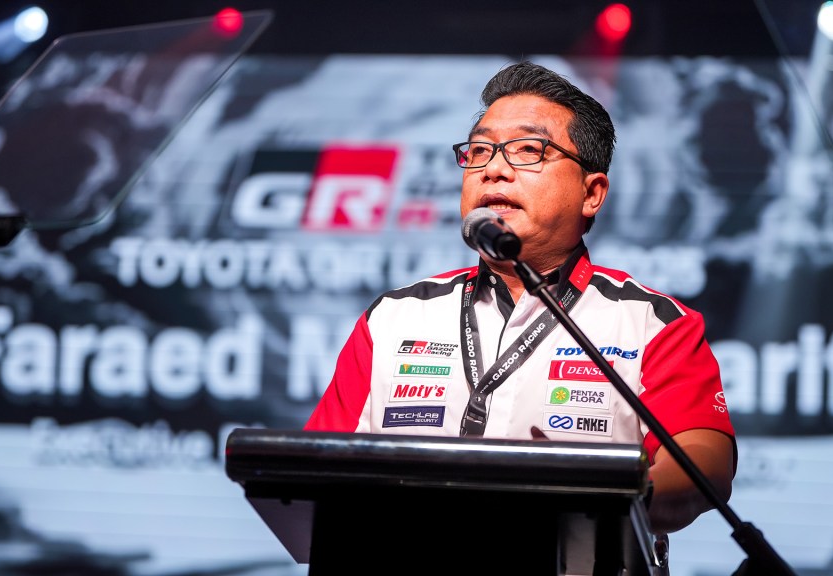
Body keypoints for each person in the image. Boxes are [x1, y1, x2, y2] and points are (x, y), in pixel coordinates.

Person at [304, 61, 735, 541]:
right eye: (479, 150)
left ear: (592, 193)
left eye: (528, 150)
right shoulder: (394, 318)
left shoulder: (651, 323)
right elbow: (313, 469)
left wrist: (594, 505)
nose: (493, 169)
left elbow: (704, 465)